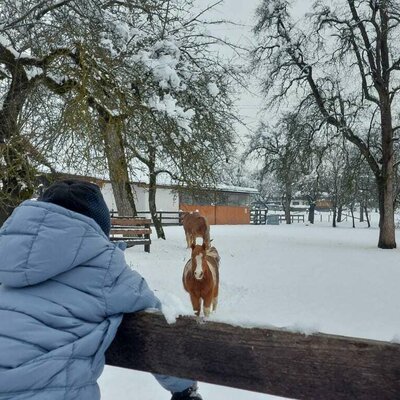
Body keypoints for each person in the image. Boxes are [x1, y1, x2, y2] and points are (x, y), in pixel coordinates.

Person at [0, 179, 202, 400]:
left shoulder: (9, 265)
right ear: (98, 226)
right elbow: (162, 330)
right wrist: (184, 389)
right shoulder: (106, 268)